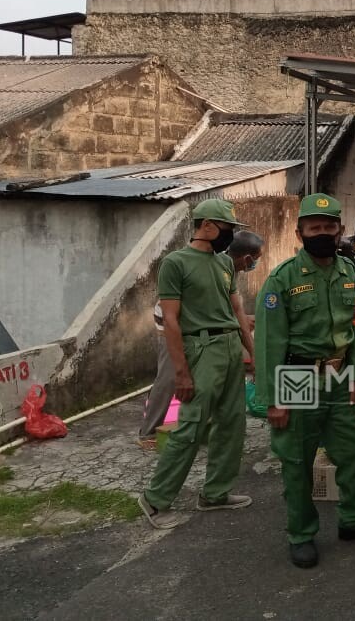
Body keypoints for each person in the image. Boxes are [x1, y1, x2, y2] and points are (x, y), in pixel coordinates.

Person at [255, 193, 355, 569]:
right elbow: (269, 343)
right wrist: (274, 399)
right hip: (297, 375)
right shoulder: (281, 279)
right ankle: (301, 534)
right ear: (300, 232)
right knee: (297, 462)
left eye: (328, 227)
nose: (322, 233)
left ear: (340, 231)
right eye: (313, 227)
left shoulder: (349, 272)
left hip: (340, 376)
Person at [137, 199, 255, 530]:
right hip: (200, 348)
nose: (231, 235)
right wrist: (181, 373)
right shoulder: (175, 263)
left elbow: (237, 311)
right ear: (207, 226)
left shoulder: (225, 264)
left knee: (232, 424)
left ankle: (215, 493)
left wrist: (253, 354)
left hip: (230, 347)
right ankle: (155, 500)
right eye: (228, 228)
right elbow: (171, 322)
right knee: (192, 426)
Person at [138, 230, 265, 448]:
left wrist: (244, 321)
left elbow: (231, 310)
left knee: (209, 378)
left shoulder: (226, 268)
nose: (253, 266)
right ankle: (148, 433)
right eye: (255, 260)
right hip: (173, 324)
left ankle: (208, 427)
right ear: (246, 258)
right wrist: (252, 349)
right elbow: (229, 312)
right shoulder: (207, 264)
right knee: (170, 378)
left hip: (200, 326)